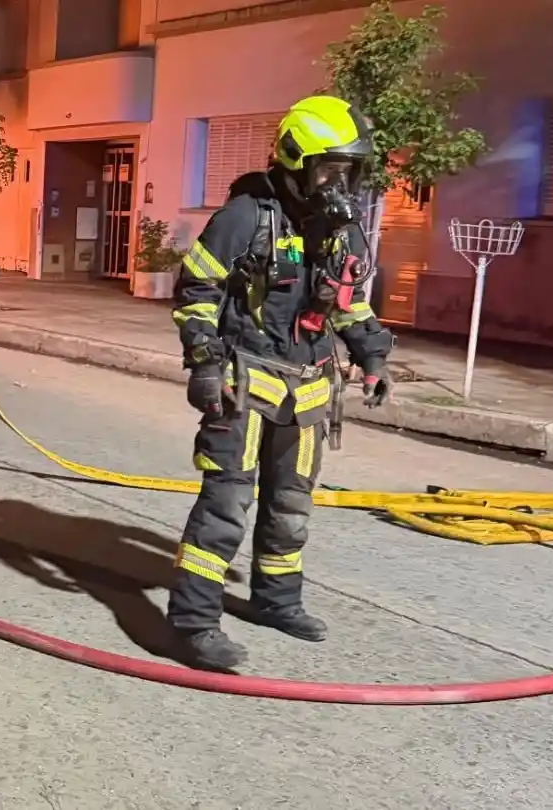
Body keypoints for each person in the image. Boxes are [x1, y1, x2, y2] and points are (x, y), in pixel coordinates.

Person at [167, 95, 396, 670]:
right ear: (294, 162)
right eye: (328, 169)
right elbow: (197, 292)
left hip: (308, 392)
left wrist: (372, 354)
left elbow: (344, 302)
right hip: (244, 387)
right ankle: (193, 624)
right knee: (225, 508)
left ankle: (276, 601)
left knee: (291, 507)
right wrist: (205, 363)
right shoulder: (245, 217)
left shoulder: (335, 231)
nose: (338, 185)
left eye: (347, 172)